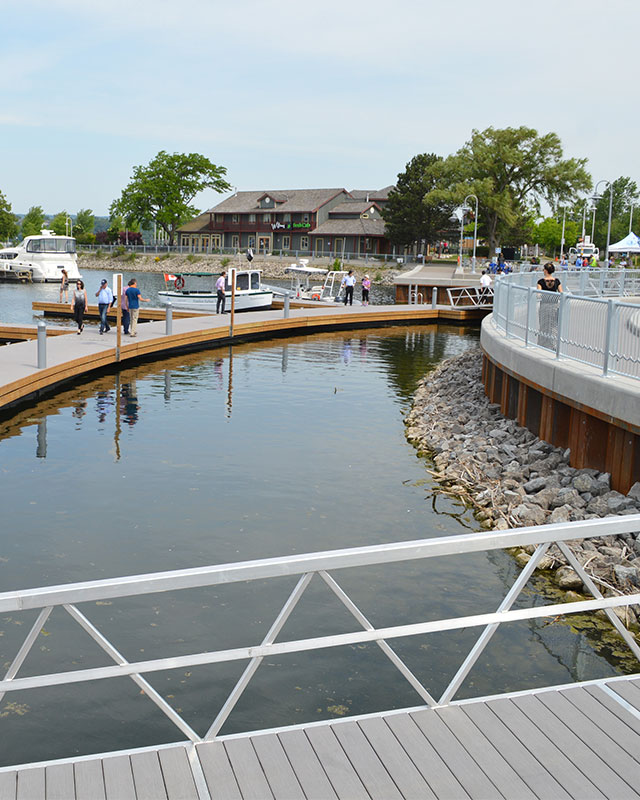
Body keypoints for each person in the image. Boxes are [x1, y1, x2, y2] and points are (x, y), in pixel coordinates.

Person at [536, 263, 563, 348]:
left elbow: (539, 294)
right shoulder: (557, 281)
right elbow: (561, 293)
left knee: (543, 324)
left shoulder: (541, 282)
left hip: (544, 305)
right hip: (554, 305)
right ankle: (553, 344)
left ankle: (542, 343)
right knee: (554, 325)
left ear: (546, 270)